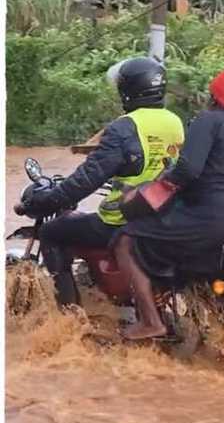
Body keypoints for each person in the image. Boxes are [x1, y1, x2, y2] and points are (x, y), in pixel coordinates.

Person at [114, 66, 224, 340]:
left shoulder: (208, 121)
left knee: (125, 239)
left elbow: (187, 171)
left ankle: (150, 321)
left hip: (210, 218)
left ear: (213, 96)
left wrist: (149, 193)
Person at [16, 57, 184, 308]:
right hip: (164, 218)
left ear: (128, 90)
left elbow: (87, 179)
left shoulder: (125, 127)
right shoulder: (175, 121)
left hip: (122, 220)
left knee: (52, 233)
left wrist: (48, 199)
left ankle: (70, 315)